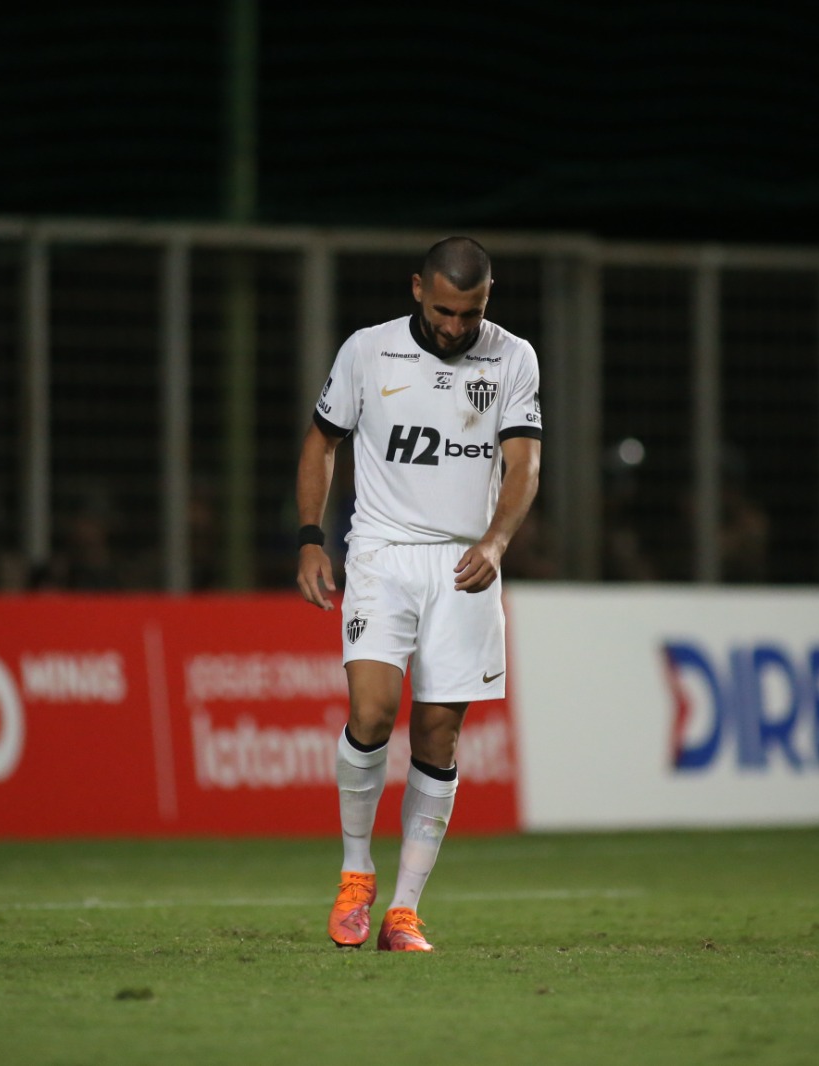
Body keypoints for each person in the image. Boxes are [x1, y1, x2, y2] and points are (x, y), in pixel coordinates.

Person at [295, 237, 542, 953]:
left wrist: (495, 542)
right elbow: (321, 442)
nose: (456, 327)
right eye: (444, 311)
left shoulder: (513, 357)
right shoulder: (366, 353)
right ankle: (354, 874)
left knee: (438, 732)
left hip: (465, 561)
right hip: (382, 553)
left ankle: (404, 912)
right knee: (370, 713)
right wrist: (311, 535)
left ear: (487, 297)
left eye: (471, 313)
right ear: (416, 289)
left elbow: (523, 464)